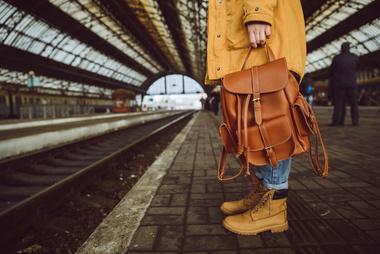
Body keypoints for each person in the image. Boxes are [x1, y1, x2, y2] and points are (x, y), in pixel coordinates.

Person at [205, 1, 306, 235]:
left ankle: (274, 205)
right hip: (247, 40)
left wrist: (258, 12)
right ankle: (262, 193)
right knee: (252, 127)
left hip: (260, 32)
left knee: (269, 124)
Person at [328, 42, 359, 126]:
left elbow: (331, 71)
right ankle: (355, 122)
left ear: (341, 48)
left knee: (339, 104)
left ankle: (337, 122)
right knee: (354, 104)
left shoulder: (337, 58)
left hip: (340, 84)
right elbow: (357, 68)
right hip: (352, 84)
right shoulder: (355, 57)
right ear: (349, 48)